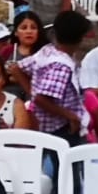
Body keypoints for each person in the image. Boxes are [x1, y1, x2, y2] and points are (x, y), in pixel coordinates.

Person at [13, 10, 91, 141]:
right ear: (79, 39)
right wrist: (69, 115)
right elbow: (41, 99)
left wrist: (32, 91)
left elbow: (17, 68)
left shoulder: (47, 51)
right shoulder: (61, 67)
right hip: (58, 128)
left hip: (43, 123)